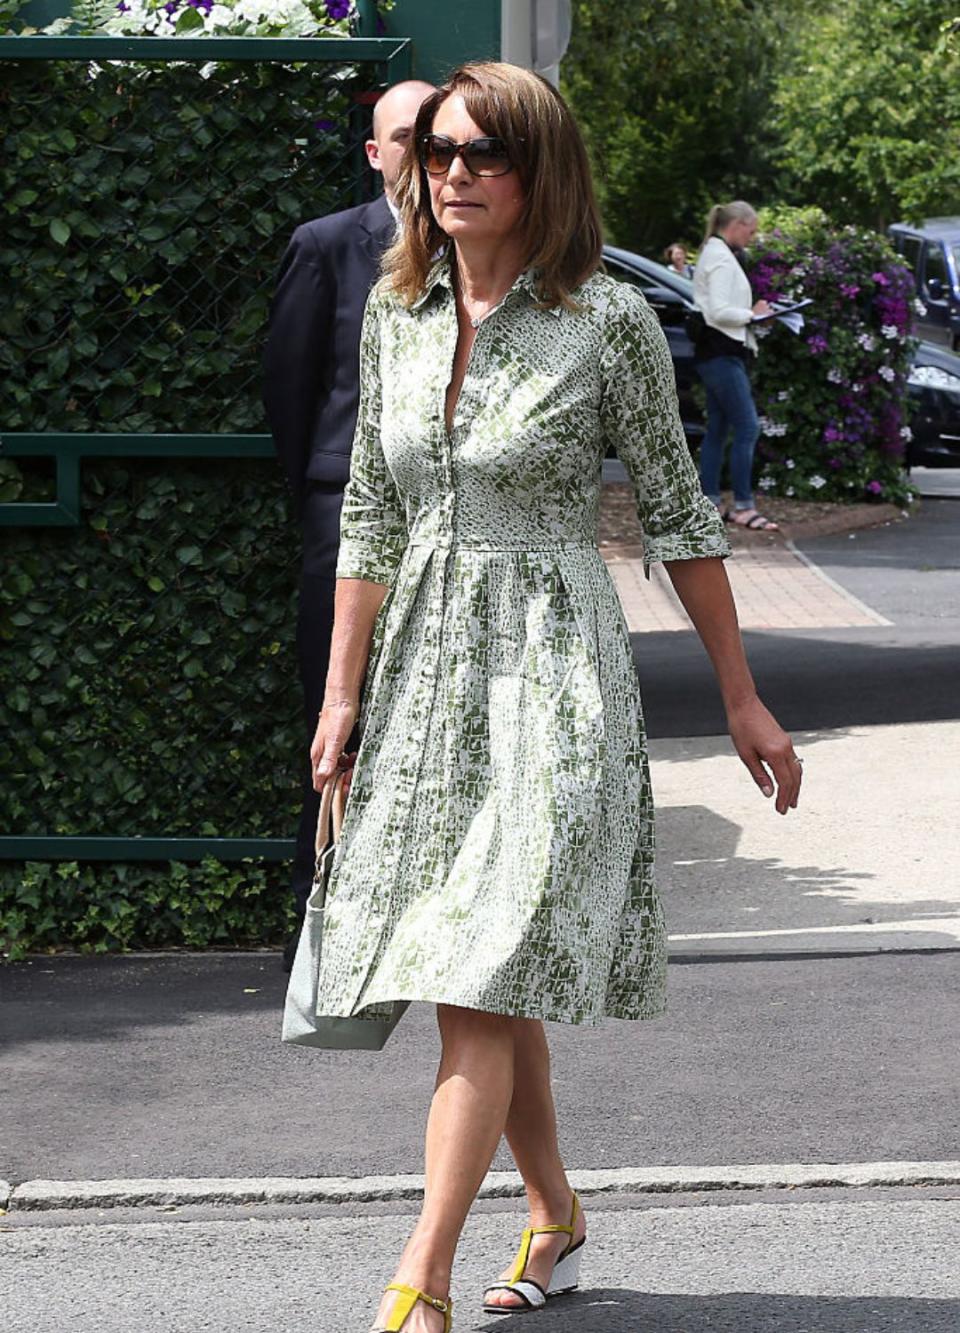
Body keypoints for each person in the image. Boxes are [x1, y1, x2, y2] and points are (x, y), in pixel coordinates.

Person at [308, 63, 802, 1333]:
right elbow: (370, 508)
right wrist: (340, 697)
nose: (454, 172)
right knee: (487, 966)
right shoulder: (395, 307)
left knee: (479, 964)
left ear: (542, 173)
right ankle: (558, 1213)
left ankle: (415, 1279)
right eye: (438, 152)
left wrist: (742, 699)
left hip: (554, 673)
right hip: (425, 668)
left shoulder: (605, 322)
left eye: (485, 153)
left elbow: (683, 517)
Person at [263, 79, 434, 963]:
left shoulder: (490, 252)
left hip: (453, 523)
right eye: (405, 136)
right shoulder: (329, 246)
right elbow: (291, 392)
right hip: (345, 520)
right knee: (338, 718)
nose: (423, 151)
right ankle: (323, 924)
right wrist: (323, 492)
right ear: (375, 153)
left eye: (436, 134)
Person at [692, 200, 779, 530]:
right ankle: (743, 505)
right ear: (738, 224)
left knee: (719, 428)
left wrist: (753, 317)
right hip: (722, 354)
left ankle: (711, 501)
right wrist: (753, 315)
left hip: (718, 353)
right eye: (751, 230)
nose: (752, 237)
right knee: (746, 427)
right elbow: (718, 312)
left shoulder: (716, 254)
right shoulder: (721, 259)